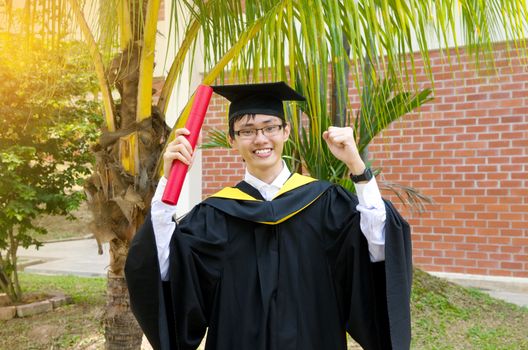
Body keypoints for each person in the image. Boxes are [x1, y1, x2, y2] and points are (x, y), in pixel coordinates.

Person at [125, 82, 412, 350]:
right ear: (232, 141)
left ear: (286, 131)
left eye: (270, 127)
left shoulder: (325, 204)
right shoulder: (215, 214)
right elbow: (161, 264)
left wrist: (357, 167)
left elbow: (378, 248)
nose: (260, 138)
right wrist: (168, 181)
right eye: (247, 130)